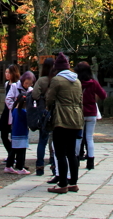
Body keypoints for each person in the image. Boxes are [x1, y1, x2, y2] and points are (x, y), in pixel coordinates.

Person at [45, 52, 83, 193]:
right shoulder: (77, 81)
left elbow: (50, 98)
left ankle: (62, 184)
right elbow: (80, 100)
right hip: (76, 117)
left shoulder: (57, 80)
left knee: (60, 152)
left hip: (61, 118)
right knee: (71, 152)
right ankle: (73, 182)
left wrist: (48, 108)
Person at [74, 61, 106, 171]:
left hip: (79, 113)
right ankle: (90, 162)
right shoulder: (93, 83)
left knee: (78, 138)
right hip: (91, 112)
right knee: (89, 138)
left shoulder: (76, 83)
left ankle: (76, 160)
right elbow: (103, 95)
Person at [5, 70, 35, 174]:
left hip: (17, 115)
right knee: (19, 147)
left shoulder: (31, 90)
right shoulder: (14, 86)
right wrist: (14, 107)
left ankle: (13, 165)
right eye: (26, 83)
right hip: (17, 116)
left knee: (15, 146)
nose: (27, 85)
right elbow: (8, 99)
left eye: (30, 84)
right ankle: (18, 166)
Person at [32, 57, 56, 178]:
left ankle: (40, 166)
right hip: (54, 112)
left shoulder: (41, 80)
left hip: (43, 113)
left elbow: (34, 94)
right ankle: (53, 164)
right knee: (54, 141)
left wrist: (42, 97)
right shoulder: (57, 80)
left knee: (42, 140)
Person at [0, 64, 20, 171]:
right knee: (3, 135)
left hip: (13, 111)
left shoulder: (17, 85)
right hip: (6, 111)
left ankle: (13, 156)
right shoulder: (7, 84)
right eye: (6, 72)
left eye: (9, 72)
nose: (7, 74)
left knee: (14, 135)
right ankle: (11, 153)